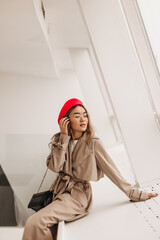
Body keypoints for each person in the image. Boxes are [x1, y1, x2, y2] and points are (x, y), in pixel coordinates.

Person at [22, 98, 158, 240]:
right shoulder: (61, 141)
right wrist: (63, 137)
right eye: (77, 115)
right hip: (59, 192)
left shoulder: (93, 143)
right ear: (66, 121)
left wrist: (135, 194)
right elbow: (55, 167)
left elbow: (113, 172)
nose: (83, 119)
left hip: (77, 196)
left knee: (34, 222)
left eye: (85, 114)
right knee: (48, 228)